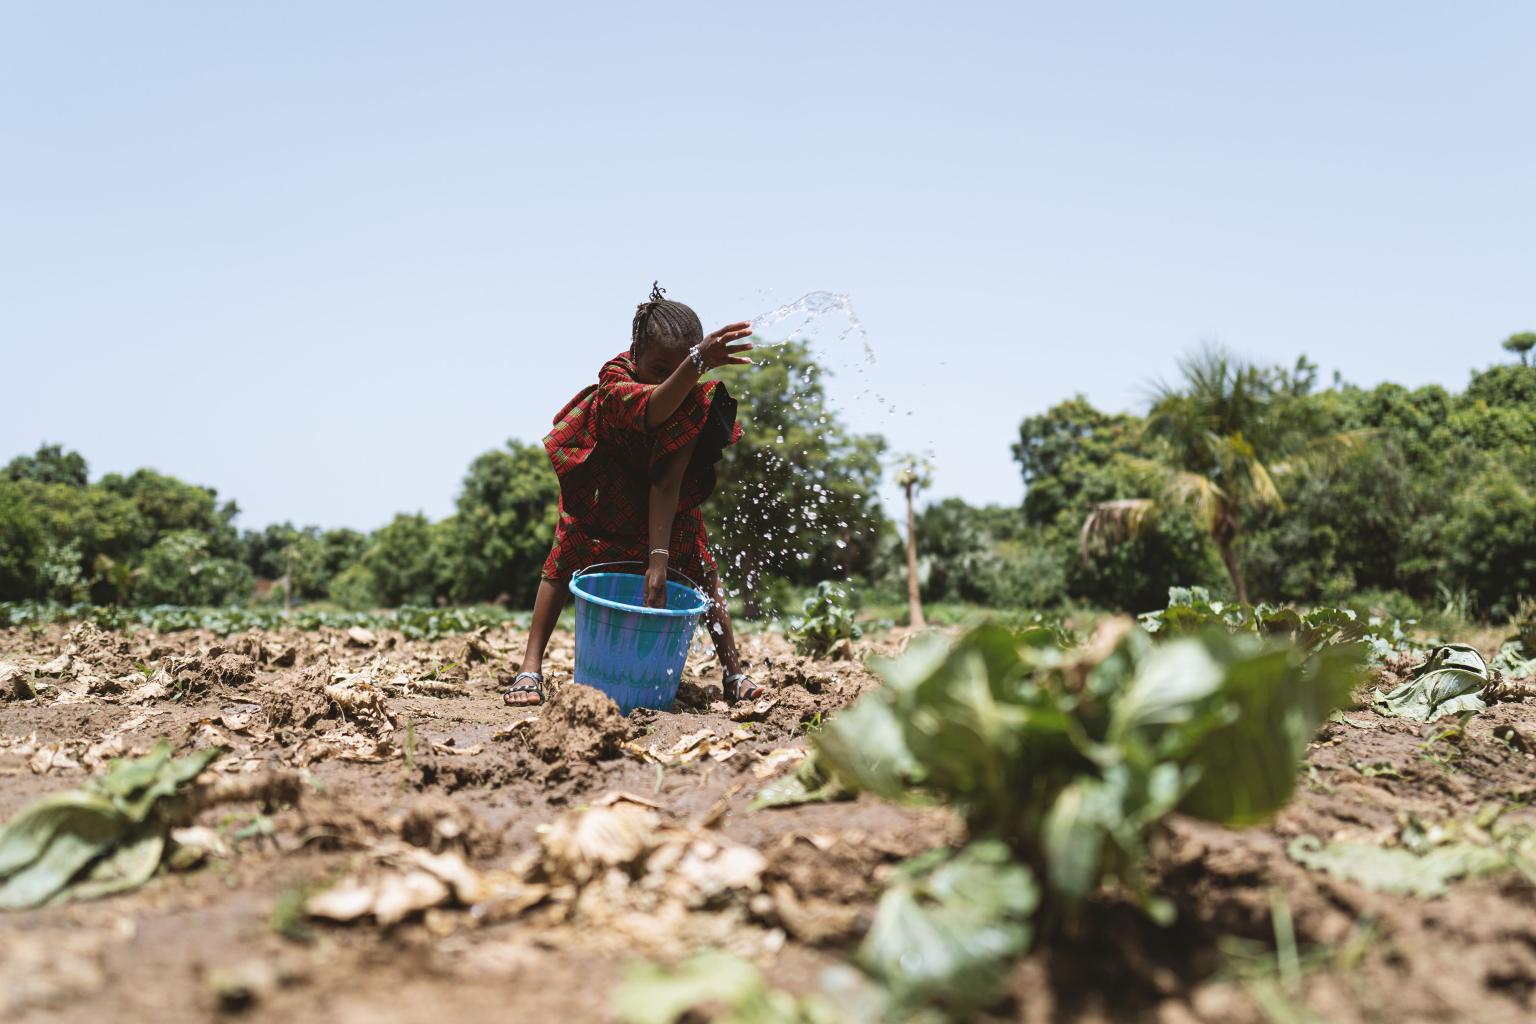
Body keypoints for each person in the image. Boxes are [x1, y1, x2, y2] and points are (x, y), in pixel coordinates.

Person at [503, 283, 765, 708]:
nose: (670, 379)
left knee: (702, 568)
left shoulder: (693, 401)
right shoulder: (615, 380)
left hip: (664, 500)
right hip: (603, 488)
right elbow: (651, 407)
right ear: (635, 354)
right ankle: (530, 668)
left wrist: (659, 561)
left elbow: (667, 480)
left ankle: (734, 673)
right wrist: (695, 363)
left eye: (679, 369)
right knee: (563, 559)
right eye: (658, 368)